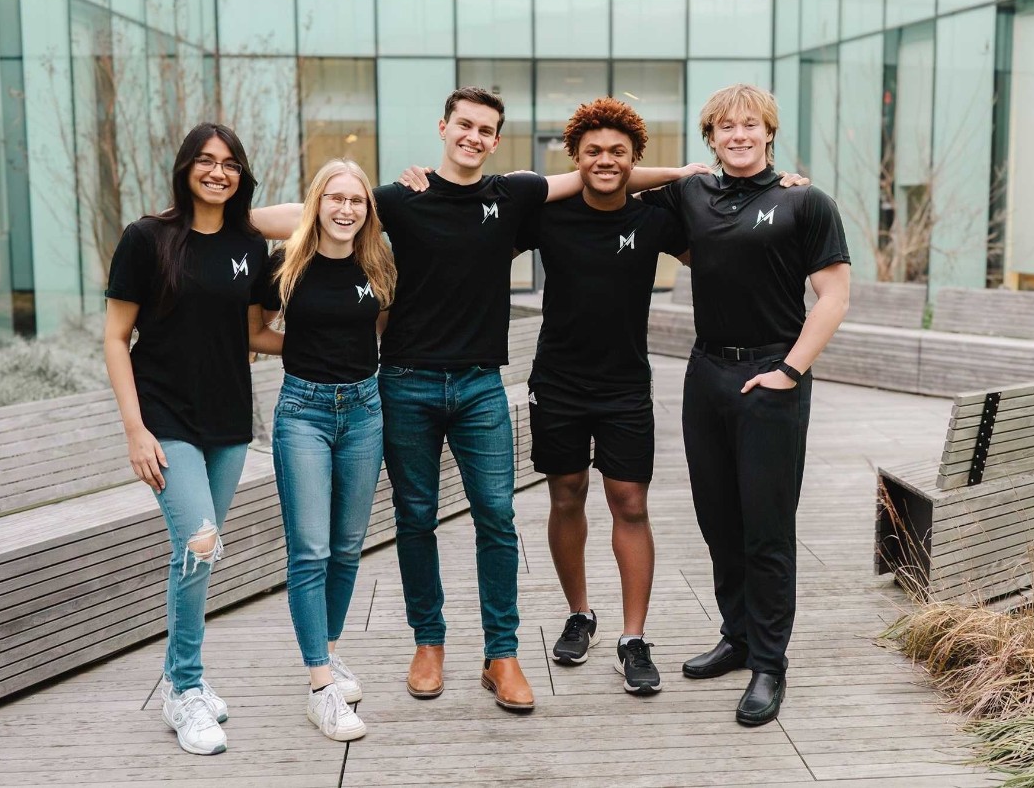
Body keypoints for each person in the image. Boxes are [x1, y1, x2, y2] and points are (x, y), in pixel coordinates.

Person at [253, 87, 706, 712]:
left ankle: (502, 654)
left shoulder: (513, 194)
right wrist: (222, 217)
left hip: (480, 388)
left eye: (485, 129)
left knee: (496, 518)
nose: (472, 136)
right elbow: (309, 215)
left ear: (496, 140)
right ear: (444, 128)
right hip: (405, 382)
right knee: (415, 519)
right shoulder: (399, 200)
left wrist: (683, 172)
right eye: (462, 125)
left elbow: (596, 173)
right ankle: (429, 644)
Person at [517, 98, 805, 697]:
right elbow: (477, 221)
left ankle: (632, 638)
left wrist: (789, 198)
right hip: (558, 382)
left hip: (626, 385)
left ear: (634, 159)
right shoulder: (547, 213)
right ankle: (579, 614)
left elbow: (725, 244)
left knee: (630, 503)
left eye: (618, 152)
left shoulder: (655, 219)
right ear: (575, 157)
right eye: (593, 151)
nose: (605, 160)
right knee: (566, 495)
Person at [641, 84, 851, 726]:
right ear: (710, 136)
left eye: (750, 125)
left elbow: (835, 297)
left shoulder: (803, 200)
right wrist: (679, 171)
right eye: (726, 126)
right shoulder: (693, 194)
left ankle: (769, 662)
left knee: (766, 528)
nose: (739, 135)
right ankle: (736, 636)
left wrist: (789, 370)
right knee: (717, 520)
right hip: (706, 373)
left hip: (770, 375)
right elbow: (617, 181)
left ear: (769, 132)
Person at [104, 123, 274, 755]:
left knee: (198, 552)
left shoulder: (249, 244)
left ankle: (182, 677)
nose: (217, 172)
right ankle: (185, 687)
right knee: (199, 543)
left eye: (229, 163)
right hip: (165, 419)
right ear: (185, 169)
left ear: (241, 175)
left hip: (229, 422)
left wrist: (328, 347)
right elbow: (116, 337)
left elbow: (255, 334)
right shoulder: (148, 239)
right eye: (205, 161)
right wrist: (134, 429)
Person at [261, 159, 396, 742]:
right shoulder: (287, 266)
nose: (346, 210)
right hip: (303, 413)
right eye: (335, 198)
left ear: (368, 210)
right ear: (316, 203)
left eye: (357, 201)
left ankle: (329, 652)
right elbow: (252, 330)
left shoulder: (379, 263)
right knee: (310, 550)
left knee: (346, 548)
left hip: (365, 410)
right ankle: (320, 687)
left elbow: (379, 327)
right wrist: (303, 349)